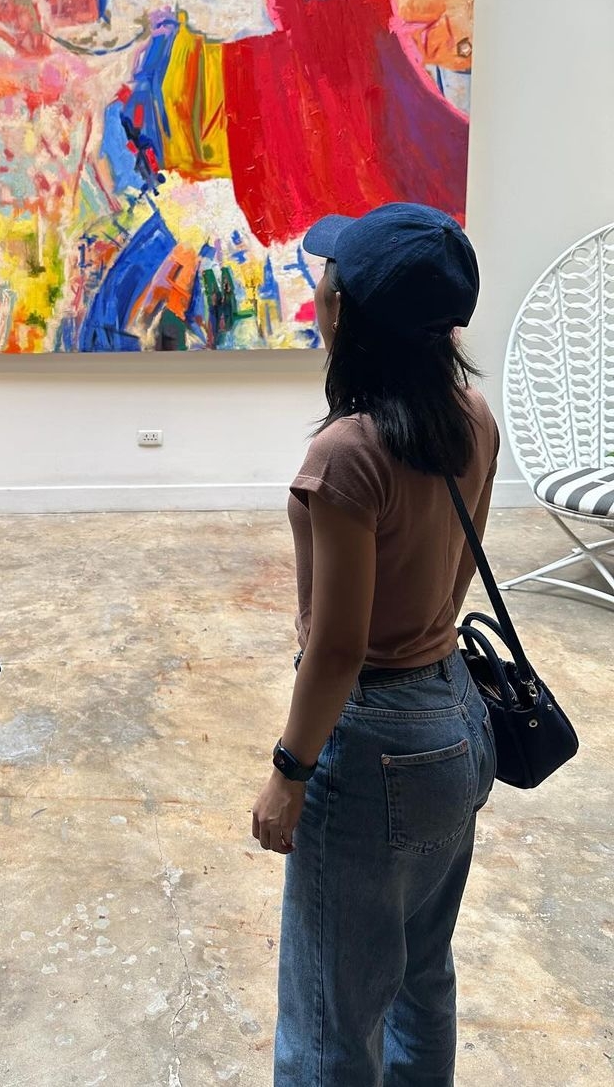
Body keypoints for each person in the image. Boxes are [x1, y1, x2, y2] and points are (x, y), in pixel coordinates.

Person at [251, 203, 499, 1086]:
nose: (320, 288)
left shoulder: (347, 454)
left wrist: (289, 771)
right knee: (422, 978)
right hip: (456, 717)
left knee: (329, 1016)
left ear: (347, 311)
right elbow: (454, 579)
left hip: (375, 745)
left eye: (331, 277)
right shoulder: (473, 415)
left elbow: (338, 647)